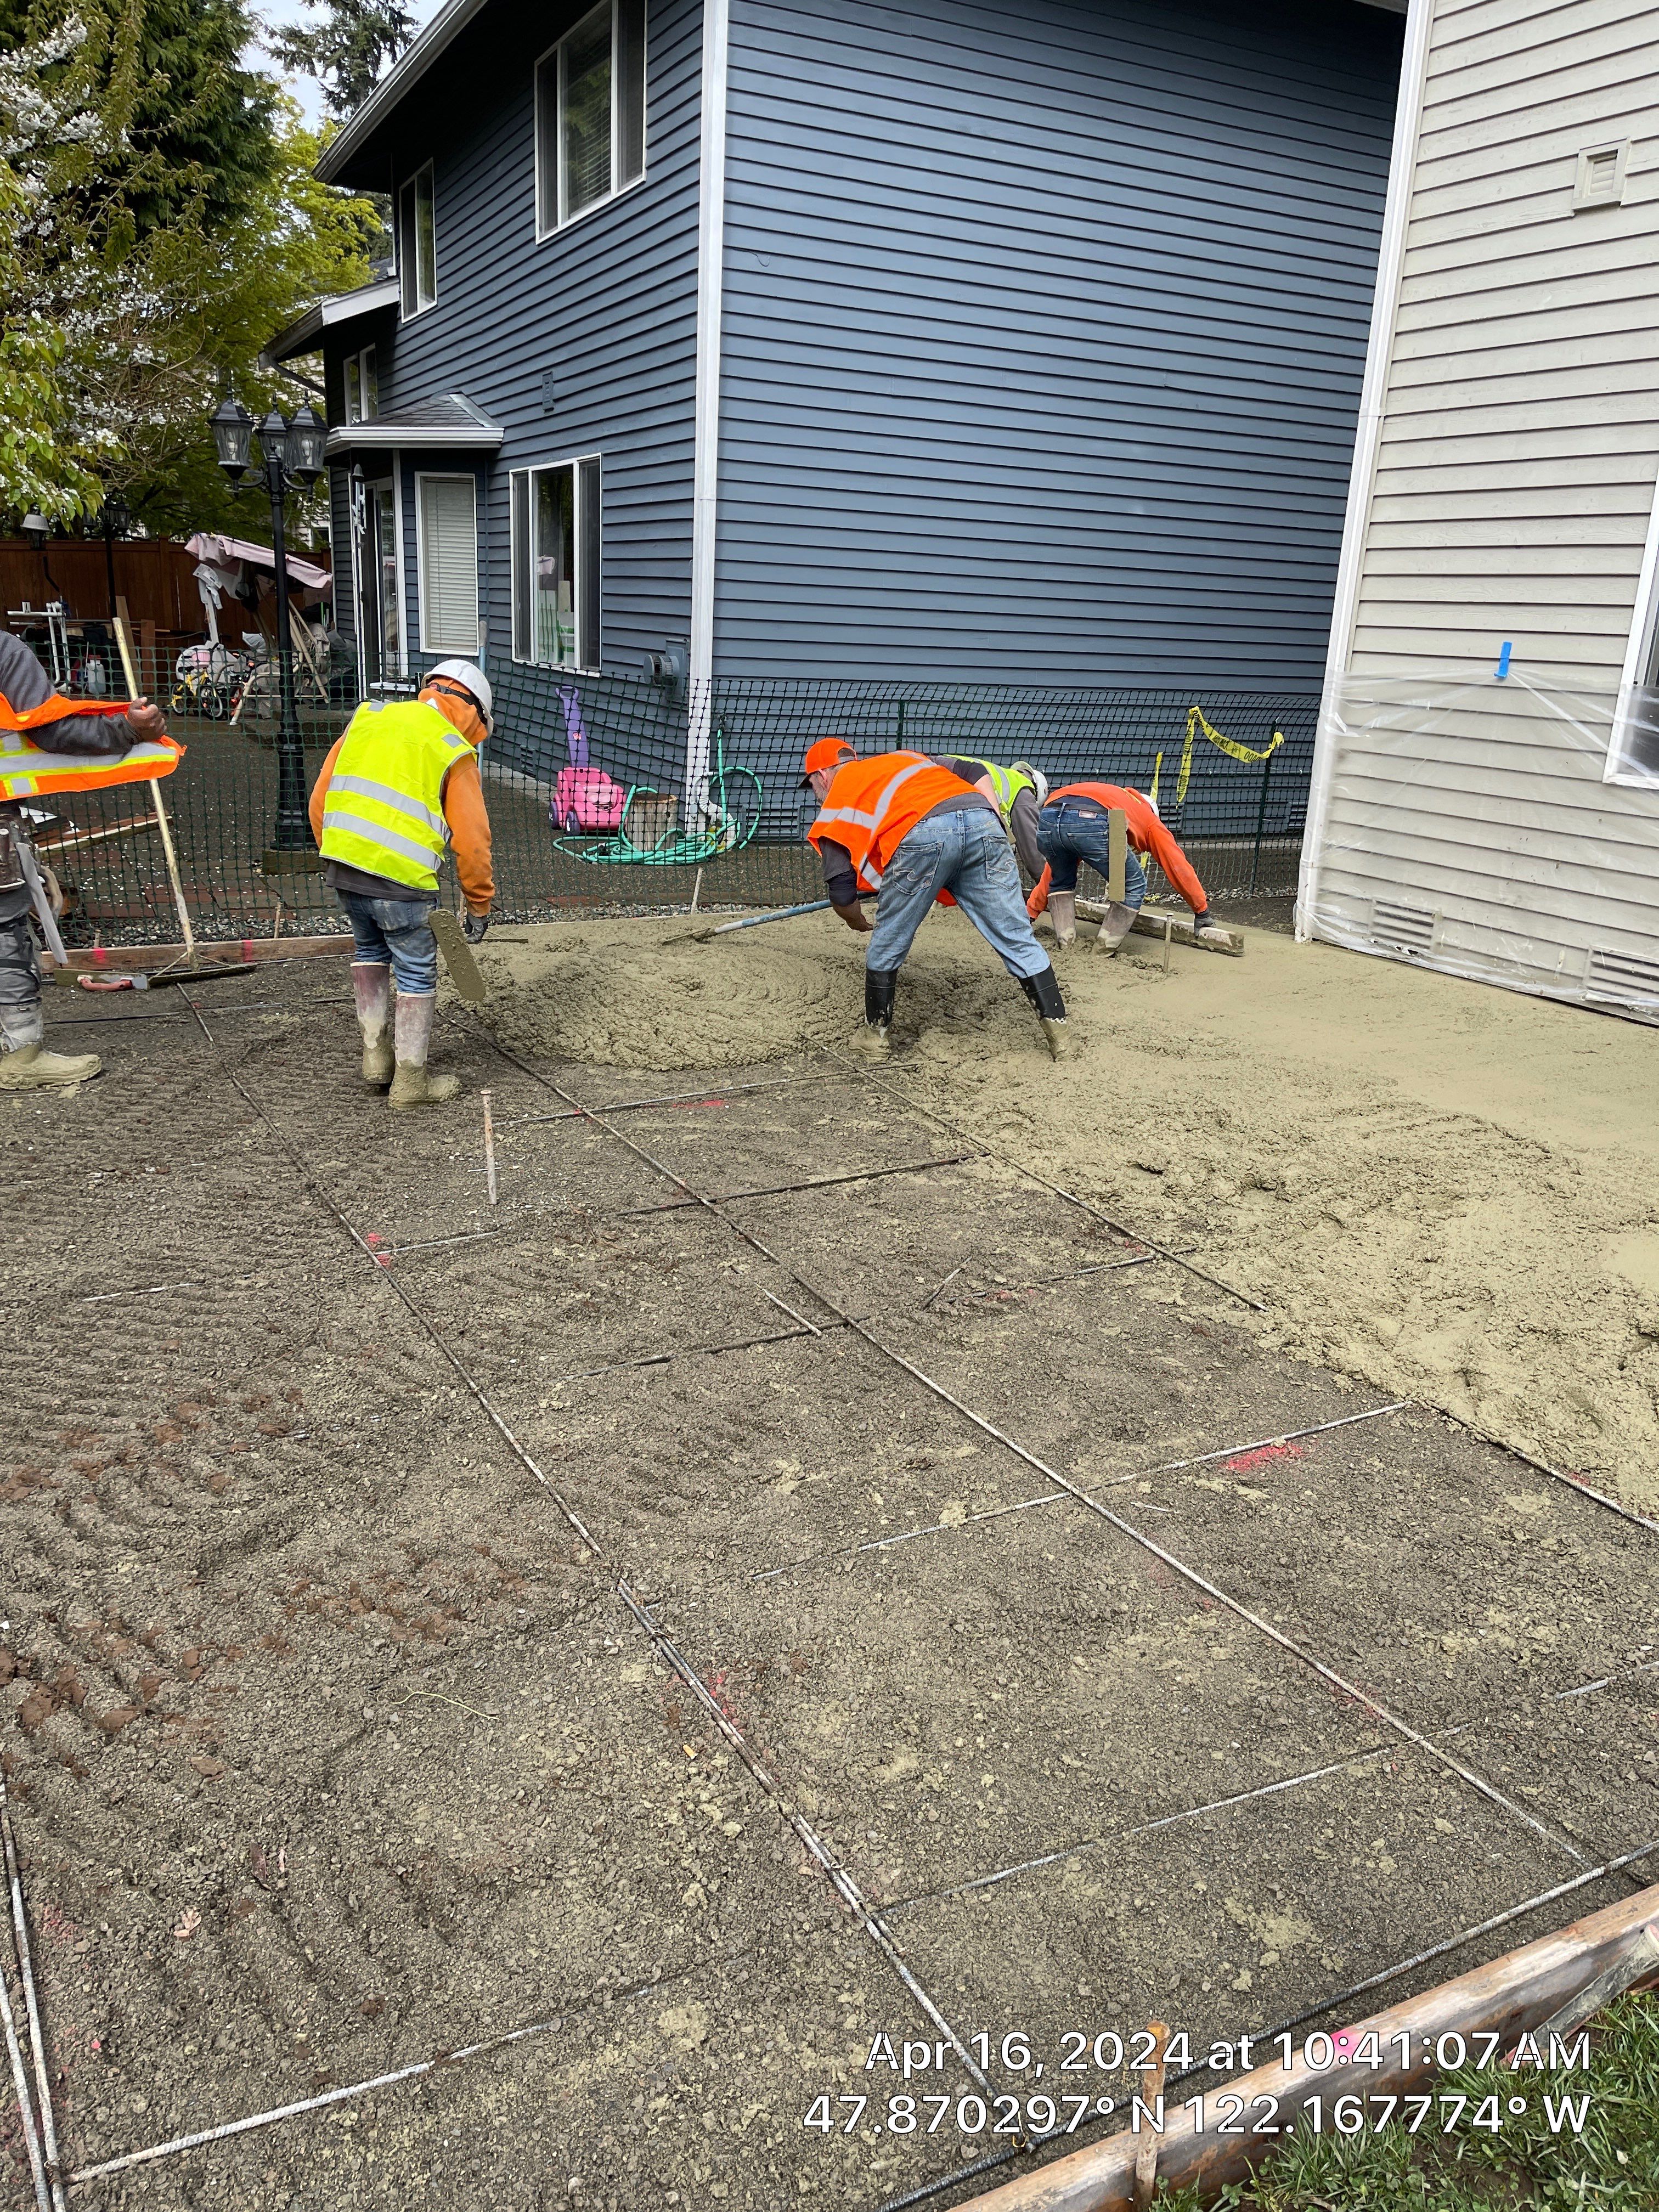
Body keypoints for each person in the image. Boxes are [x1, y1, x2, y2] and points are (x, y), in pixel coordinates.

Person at [801, 738, 1071, 1060]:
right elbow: (972, 769)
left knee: (888, 941)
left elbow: (841, 889)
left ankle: (874, 1037)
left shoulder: (840, 793)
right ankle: (1062, 1037)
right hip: (984, 820)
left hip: (924, 833)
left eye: (812, 783)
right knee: (1016, 936)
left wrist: (855, 919)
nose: (815, 792)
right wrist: (995, 822)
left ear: (823, 774)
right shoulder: (905, 759)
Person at [308, 659, 495, 1110]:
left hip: (345, 870)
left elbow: (320, 800)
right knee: (415, 971)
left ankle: (377, 1061)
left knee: (370, 952)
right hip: (403, 885)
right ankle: (412, 1083)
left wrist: (337, 854)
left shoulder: (368, 718)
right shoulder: (452, 748)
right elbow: (472, 842)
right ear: (473, 712)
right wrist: (479, 905)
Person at [0, 631, 176, 1090]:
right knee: (4, 929)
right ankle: (22, 1056)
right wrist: (130, 730)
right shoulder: (3, 650)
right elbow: (50, 728)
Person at [1028, 780, 1227, 952]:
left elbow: (1051, 875)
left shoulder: (1117, 800)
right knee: (1134, 884)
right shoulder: (1149, 821)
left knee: (1061, 880)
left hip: (1050, 813)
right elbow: (1178, 866)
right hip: (1093, 818)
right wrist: (1202, 911)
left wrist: (1031, 913)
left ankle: (1067, 947)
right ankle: (1102, 952)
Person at [930, 757, 1049, 885]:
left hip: (931, 782)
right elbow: (1033, 854)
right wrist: (1047, 887)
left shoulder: (1001, 777)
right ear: (1036, 794)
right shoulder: (1023, 789)